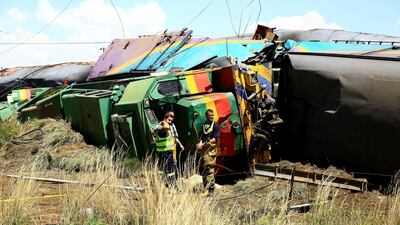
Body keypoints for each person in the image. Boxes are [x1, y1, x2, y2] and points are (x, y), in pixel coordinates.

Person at [197, 109, 220, 196]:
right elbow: (202, 136)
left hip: (210, 151)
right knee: (203, 170)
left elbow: (215, 139)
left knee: (209, 170)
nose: (211, 117)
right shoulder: (204, 125)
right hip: (203, 151)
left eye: (212, 115)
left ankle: (210, 191)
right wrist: (200, 143)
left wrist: (203, 144)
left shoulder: (215, 126)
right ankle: (205, 188)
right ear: (206, 116)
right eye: (210, 115)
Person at [153, 112, 176, 187]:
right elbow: (166, 127)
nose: (171, 121)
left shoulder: (157, 127)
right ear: (165, 118)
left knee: (161, 169)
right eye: (169, 119)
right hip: (166, 153)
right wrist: (164, 122)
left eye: (172, 119)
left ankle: (161, 184)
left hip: (161, 152)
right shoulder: (162, 127)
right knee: (170, 170)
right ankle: (173, 185)